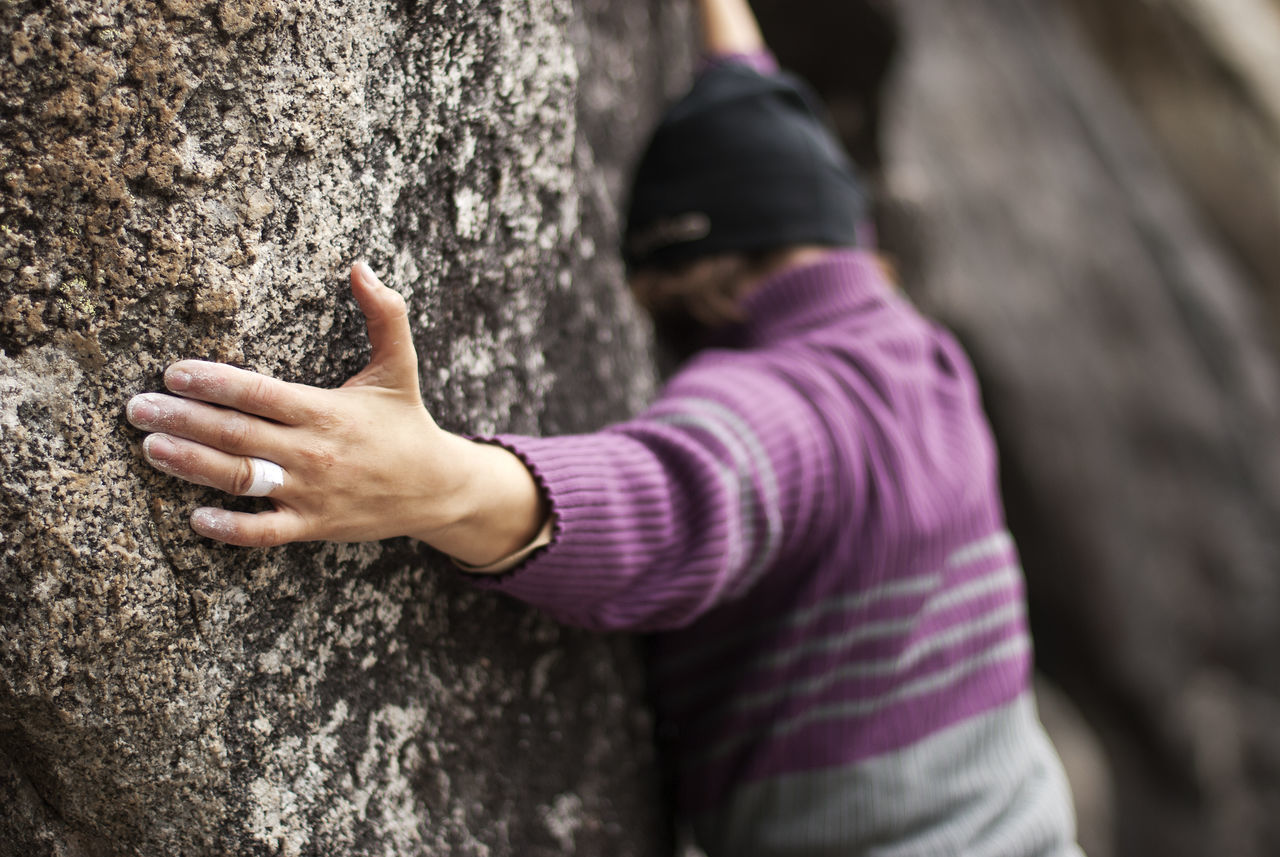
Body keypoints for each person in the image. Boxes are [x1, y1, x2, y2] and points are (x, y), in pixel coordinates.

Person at [125, 0, 1085, 853]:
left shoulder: (789, 408)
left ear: (690, 287)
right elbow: (766, 133)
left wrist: (431, 481)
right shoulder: (917, 349)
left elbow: (675, 497)